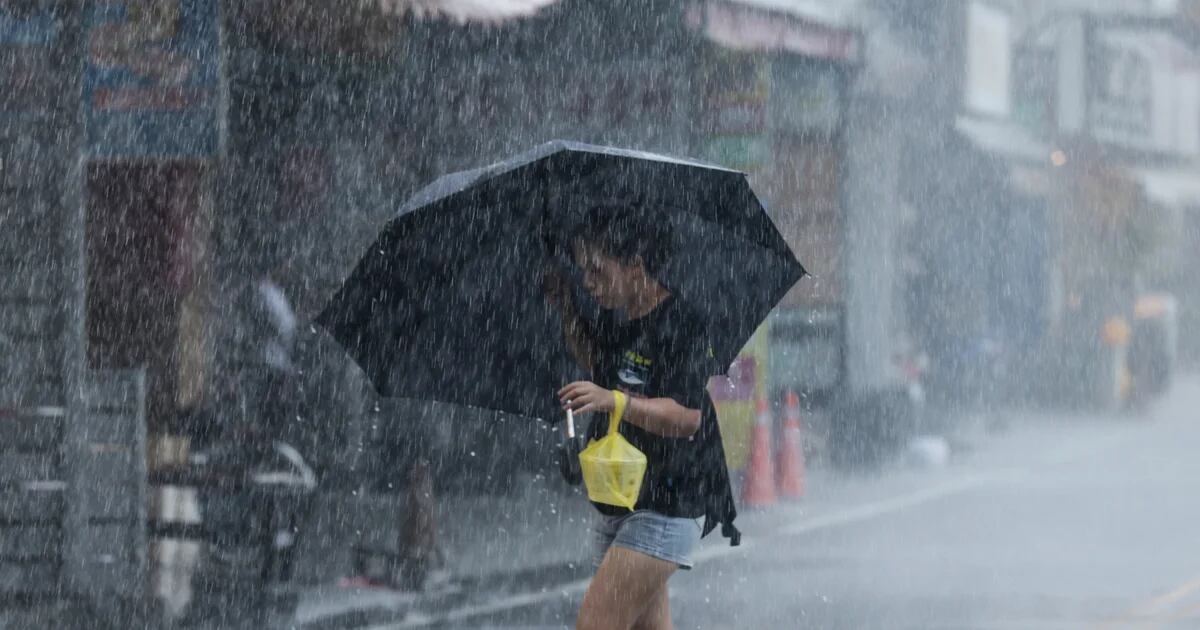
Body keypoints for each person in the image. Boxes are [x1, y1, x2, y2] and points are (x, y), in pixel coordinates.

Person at [545, 201, 739, 630]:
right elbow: (596, 362)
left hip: (670, 501)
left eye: (598, 270)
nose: (589, 283)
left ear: (634, 265)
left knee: (596, 624)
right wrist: (565, 306)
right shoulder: (621, 320)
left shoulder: (680, 321)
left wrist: (616, 401)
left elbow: (687, 416)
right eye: (583, 272)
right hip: (623, 497)